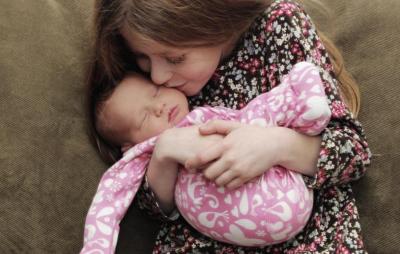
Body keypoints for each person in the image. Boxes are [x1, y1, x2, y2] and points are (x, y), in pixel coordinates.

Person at [86, 0, 372, 252]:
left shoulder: (278, 26)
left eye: (175, 58)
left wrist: (275, 146)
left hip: (307, 238)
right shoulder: (159, 89)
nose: (159, 77)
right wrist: (164, 152)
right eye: (143, 60)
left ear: (214, 23)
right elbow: (153, 208)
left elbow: (353, 152)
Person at [82, 62, 331, 253]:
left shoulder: (205, 115)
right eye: (144, 117)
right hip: (238, 230)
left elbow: (250, 120)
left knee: (257, 114)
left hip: (281, 184)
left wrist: (276, 142)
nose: (159, 107)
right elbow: (108, 202)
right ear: (129, 146)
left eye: (156, 92)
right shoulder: (142, 157)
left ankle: (301, 94)